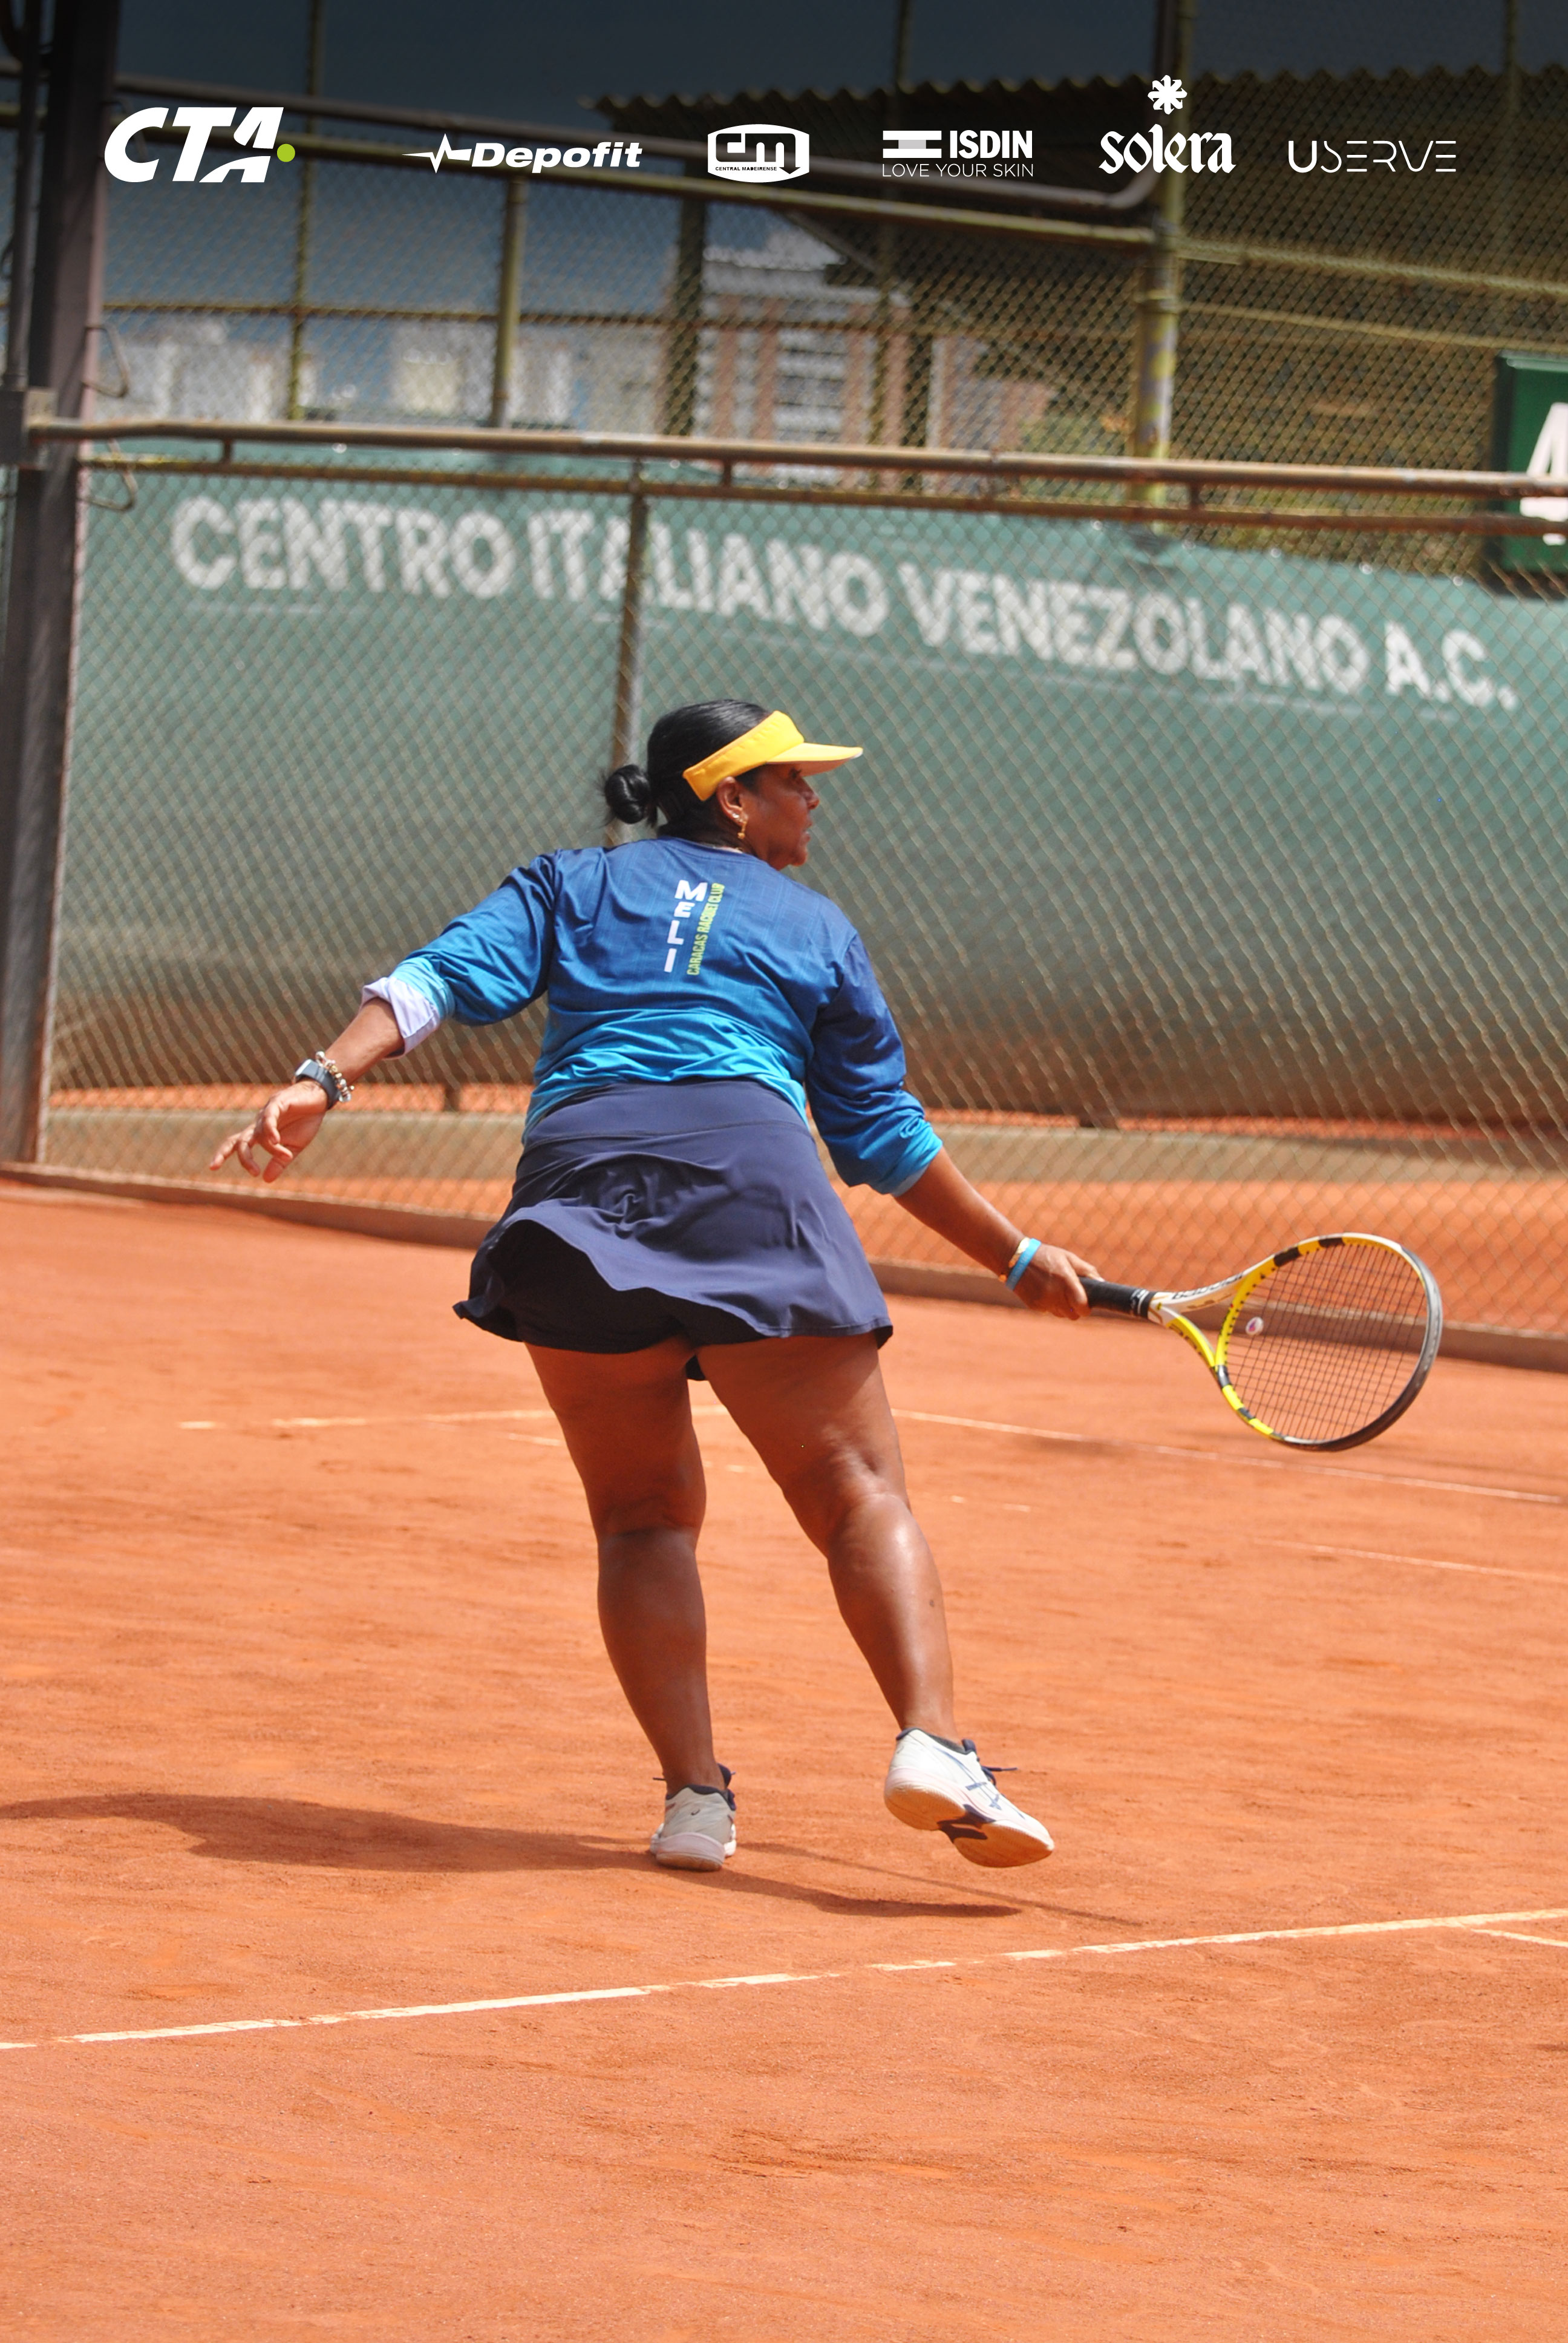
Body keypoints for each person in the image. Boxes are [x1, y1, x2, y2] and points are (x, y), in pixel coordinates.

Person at [211, 700, 1100, 1875]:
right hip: (746, 1177)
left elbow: (434, 981)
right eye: (792, 781)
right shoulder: (818, 926)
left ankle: (694, 1802)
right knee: (854, 1489)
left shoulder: (570, 883)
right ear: (731, 798)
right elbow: (879, 1133)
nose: (814, 799)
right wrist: (1017, 1256)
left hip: (575, 1196)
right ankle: (934, 1744)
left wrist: (324, 1076)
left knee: (638, 1514)